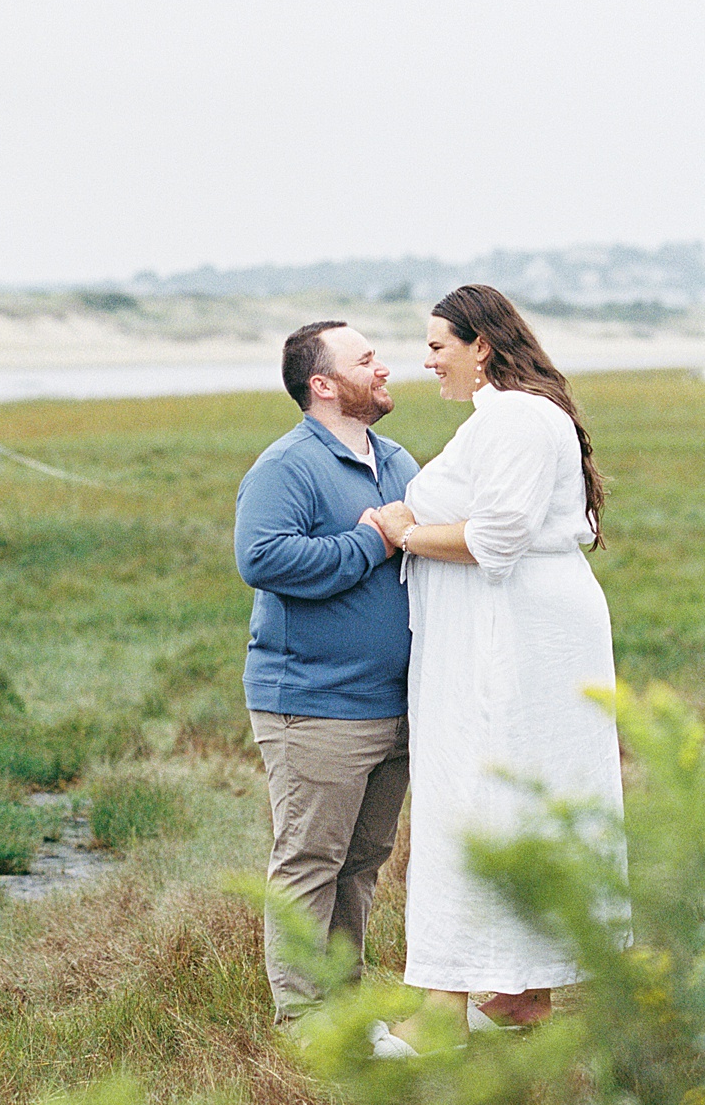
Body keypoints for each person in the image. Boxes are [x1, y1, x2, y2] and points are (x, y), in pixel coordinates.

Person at [365, 285, 627, 1054]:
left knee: (471, 796)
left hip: (505, 645)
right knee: (518, 796)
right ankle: (519, 994)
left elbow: (498, 538)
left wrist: (407, 530)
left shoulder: (515, 417)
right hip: (520, 635)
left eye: (439, 344)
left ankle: (441, 1016)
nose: (426, 358)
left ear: (482, 345)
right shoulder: (519, 416)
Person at [235, 320, 419, 1021]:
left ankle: (344, 1015)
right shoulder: (286, 467)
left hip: (392, 707)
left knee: (361, 865)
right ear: (323, 383)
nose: (384, 368)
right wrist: (369, 540)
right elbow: (265, 559)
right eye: (367, 360)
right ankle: (304, 1027)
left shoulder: (398, 460)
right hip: (314, 704)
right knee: (310, 862)